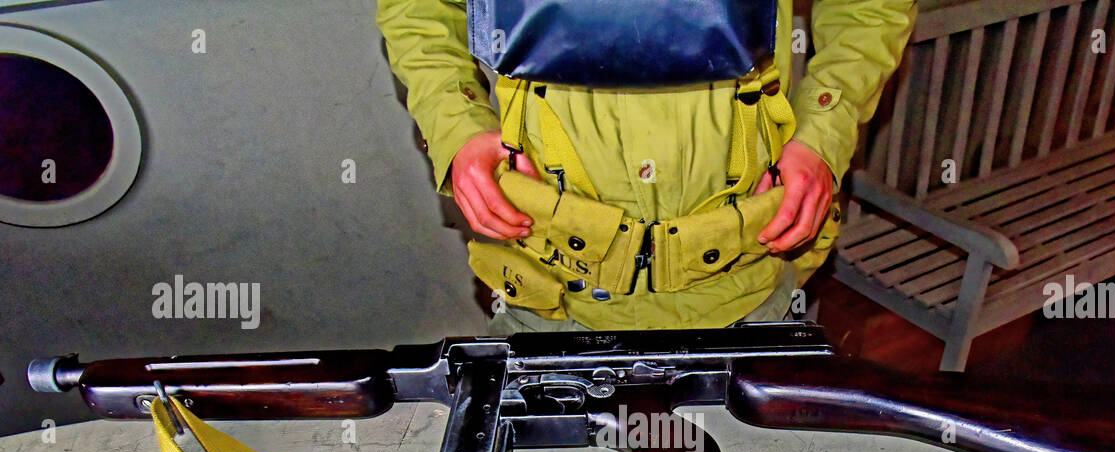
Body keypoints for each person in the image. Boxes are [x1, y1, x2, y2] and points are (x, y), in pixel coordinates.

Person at [377, 0, 915, 334]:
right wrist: (458, 126)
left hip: (745, 285)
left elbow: (869, 9)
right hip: (553, 287)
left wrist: (824, 130)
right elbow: (420, 9)